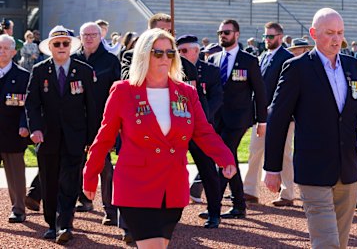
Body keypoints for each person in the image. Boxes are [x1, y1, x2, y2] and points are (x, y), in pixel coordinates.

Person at [83, 28, 236, 248]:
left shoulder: (186, 92)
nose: (165, 58)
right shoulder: (123, 91)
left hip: (172, 187)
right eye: (157, 53)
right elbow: (104, 137)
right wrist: (90, 175)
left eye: (170, 53)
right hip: (136, 186)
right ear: (144, 54)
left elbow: (203, 131)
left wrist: (225, 157)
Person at [264, 8, 357, 249]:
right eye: (329, 33)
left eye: (340, 33)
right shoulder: (296, 68)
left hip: (347, 169)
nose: (336, 39)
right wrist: (272, 168)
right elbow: (277, 118)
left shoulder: (355, 67)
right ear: (314, 34)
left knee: (339, 242)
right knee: (326, 243)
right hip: (313, 170)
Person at [26, 25, 97, 244]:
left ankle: (64, 224)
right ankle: (51, 224)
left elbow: (92, 107)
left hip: (75, 138)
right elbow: (32, 103)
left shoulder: (83, 70)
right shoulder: (39, 70)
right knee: (49, 182)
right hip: (47, 137)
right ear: (50, 47)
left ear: (71, 46)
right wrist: (35, 128)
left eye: (66, 43)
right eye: (57, 44)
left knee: (70, 182)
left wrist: (91, 138)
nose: (62, 47)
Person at [207, 19, 268, 219]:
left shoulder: (249, 60)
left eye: (226, 32)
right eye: (220, 32)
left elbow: (260, 92)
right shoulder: (214, 59)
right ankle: (239, 204)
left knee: (224, 156)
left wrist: (262, 121)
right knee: (229, 157)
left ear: (237, 34)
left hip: (239, 118)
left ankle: (213, 206)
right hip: (218, 119)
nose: (222, 35)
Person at [72, 22, 121, 225]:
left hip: (103, 122)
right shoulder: (73, 59)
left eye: (93, 34)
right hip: (76, 123)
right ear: (80, 37)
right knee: (75, 163)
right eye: (85, 35)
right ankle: (83, 200)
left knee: (105, 167)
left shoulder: (110, 61)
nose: (89, 38)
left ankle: (110, 209)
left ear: (101, 36)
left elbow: (118, 93)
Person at [176, 34, 225, 229]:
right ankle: (170, 213)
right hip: (177, 128)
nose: (181, 54)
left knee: (208, 171)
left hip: (200, 127)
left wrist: (200, 119)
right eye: (179, 51)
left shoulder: (210, 71)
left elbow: (216, 98)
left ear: (197, 51)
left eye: (186, 51)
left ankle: (214, 212)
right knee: (172, 169)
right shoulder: (172, 69)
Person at [243, 22, 295, 207]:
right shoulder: (263, 56)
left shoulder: (287, 58)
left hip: (283, 115)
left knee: (285, 154)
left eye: (270, 37)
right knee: (255, 151)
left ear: (280, 37)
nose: (267, 40)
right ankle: (250, 190)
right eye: (265, 37)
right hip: (263, 115)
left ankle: (288, 193)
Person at [0, 34, 30, 223]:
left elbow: (28, 107)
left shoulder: (23, 76)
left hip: (12, 133)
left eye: (5, 48)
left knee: (16, 175)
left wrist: (24, 125)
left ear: (13, 51)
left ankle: (18, 209)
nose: (1, 51)